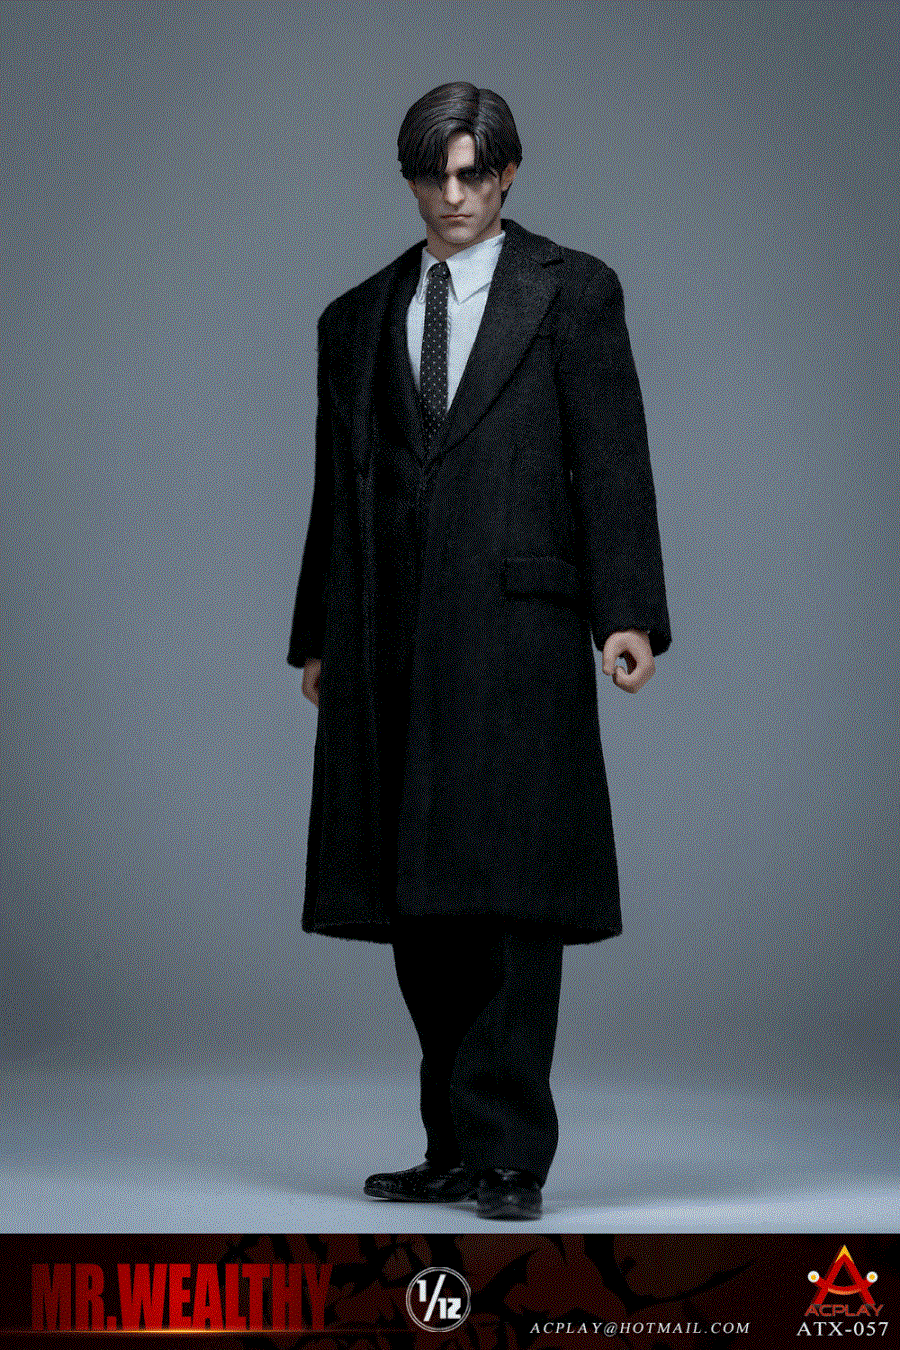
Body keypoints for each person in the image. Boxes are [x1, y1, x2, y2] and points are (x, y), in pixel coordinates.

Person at [287, 82, 671, 1220]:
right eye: (432, 176)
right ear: (410, 180)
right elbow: (334, 491)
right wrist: (318, 634)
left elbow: (612, 457)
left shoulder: (572, 292)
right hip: (389, 630)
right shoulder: (356, 317)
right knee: (418, 895)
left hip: (516, 627)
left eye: (472, 174)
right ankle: (451, 1145)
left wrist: (626, 612)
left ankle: (510, 1155)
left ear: (507, 174)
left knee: (507, 891)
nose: (452, 196)